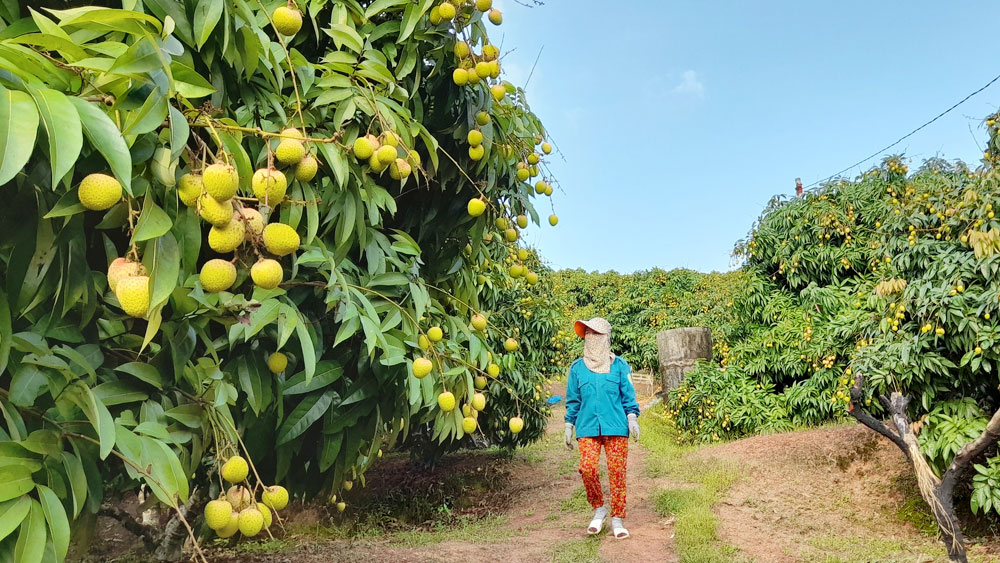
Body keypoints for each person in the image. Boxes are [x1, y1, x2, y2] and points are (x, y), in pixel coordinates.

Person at [563, 317, 641, 539]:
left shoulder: (619, 366)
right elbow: (573, 400)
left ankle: (617, 518)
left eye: (596, 334)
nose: (591, 338)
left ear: (606, 338)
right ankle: (599, 509)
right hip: (587, 427)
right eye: (588, 334)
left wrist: (632, 418)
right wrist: (569, 424)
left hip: (616, 427)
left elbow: (628, 396)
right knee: (588, 469)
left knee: (617, 472)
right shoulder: (577, 368)